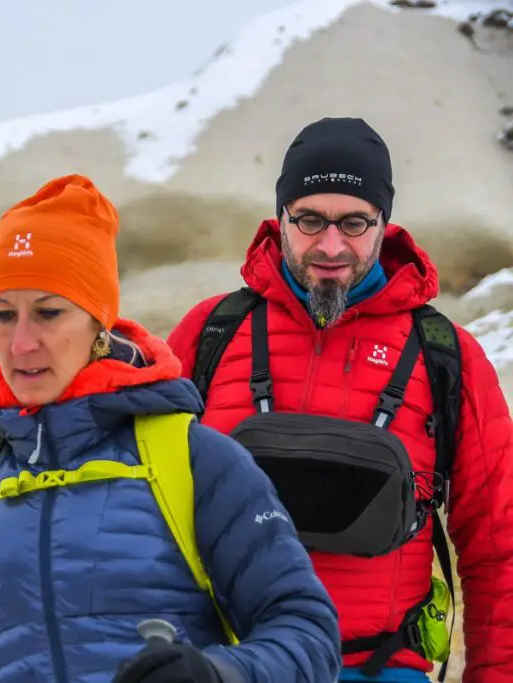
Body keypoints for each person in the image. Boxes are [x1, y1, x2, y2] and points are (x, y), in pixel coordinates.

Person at [0, 173, 341, 683]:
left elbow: (308, 635)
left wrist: (216, 674)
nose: (21, 344)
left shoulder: (194, 462)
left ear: (99, 322)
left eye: (49, 313)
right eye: (4, 315)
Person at [167, 117, 513, 682]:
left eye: (354, 222)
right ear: (280, 217)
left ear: (384, 222)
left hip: (380, 666)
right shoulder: (211, 333)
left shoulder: (445, 355)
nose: (330, 246)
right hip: (227, 665)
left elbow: (498, 546)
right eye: (308, 220)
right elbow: (133, 503)